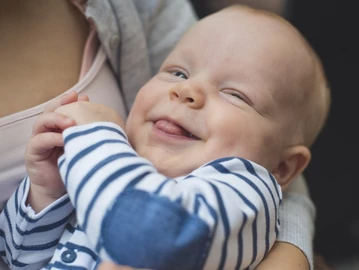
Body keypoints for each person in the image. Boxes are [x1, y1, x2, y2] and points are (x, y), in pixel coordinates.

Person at [0, 4, 329, 270]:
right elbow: (18, 259)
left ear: (284, 168)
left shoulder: (243, 192)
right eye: (177, 72)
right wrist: (46, 195)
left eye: (235, 94)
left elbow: (150, 237)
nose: (186, 90)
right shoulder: (116, 164)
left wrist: (97, 138)